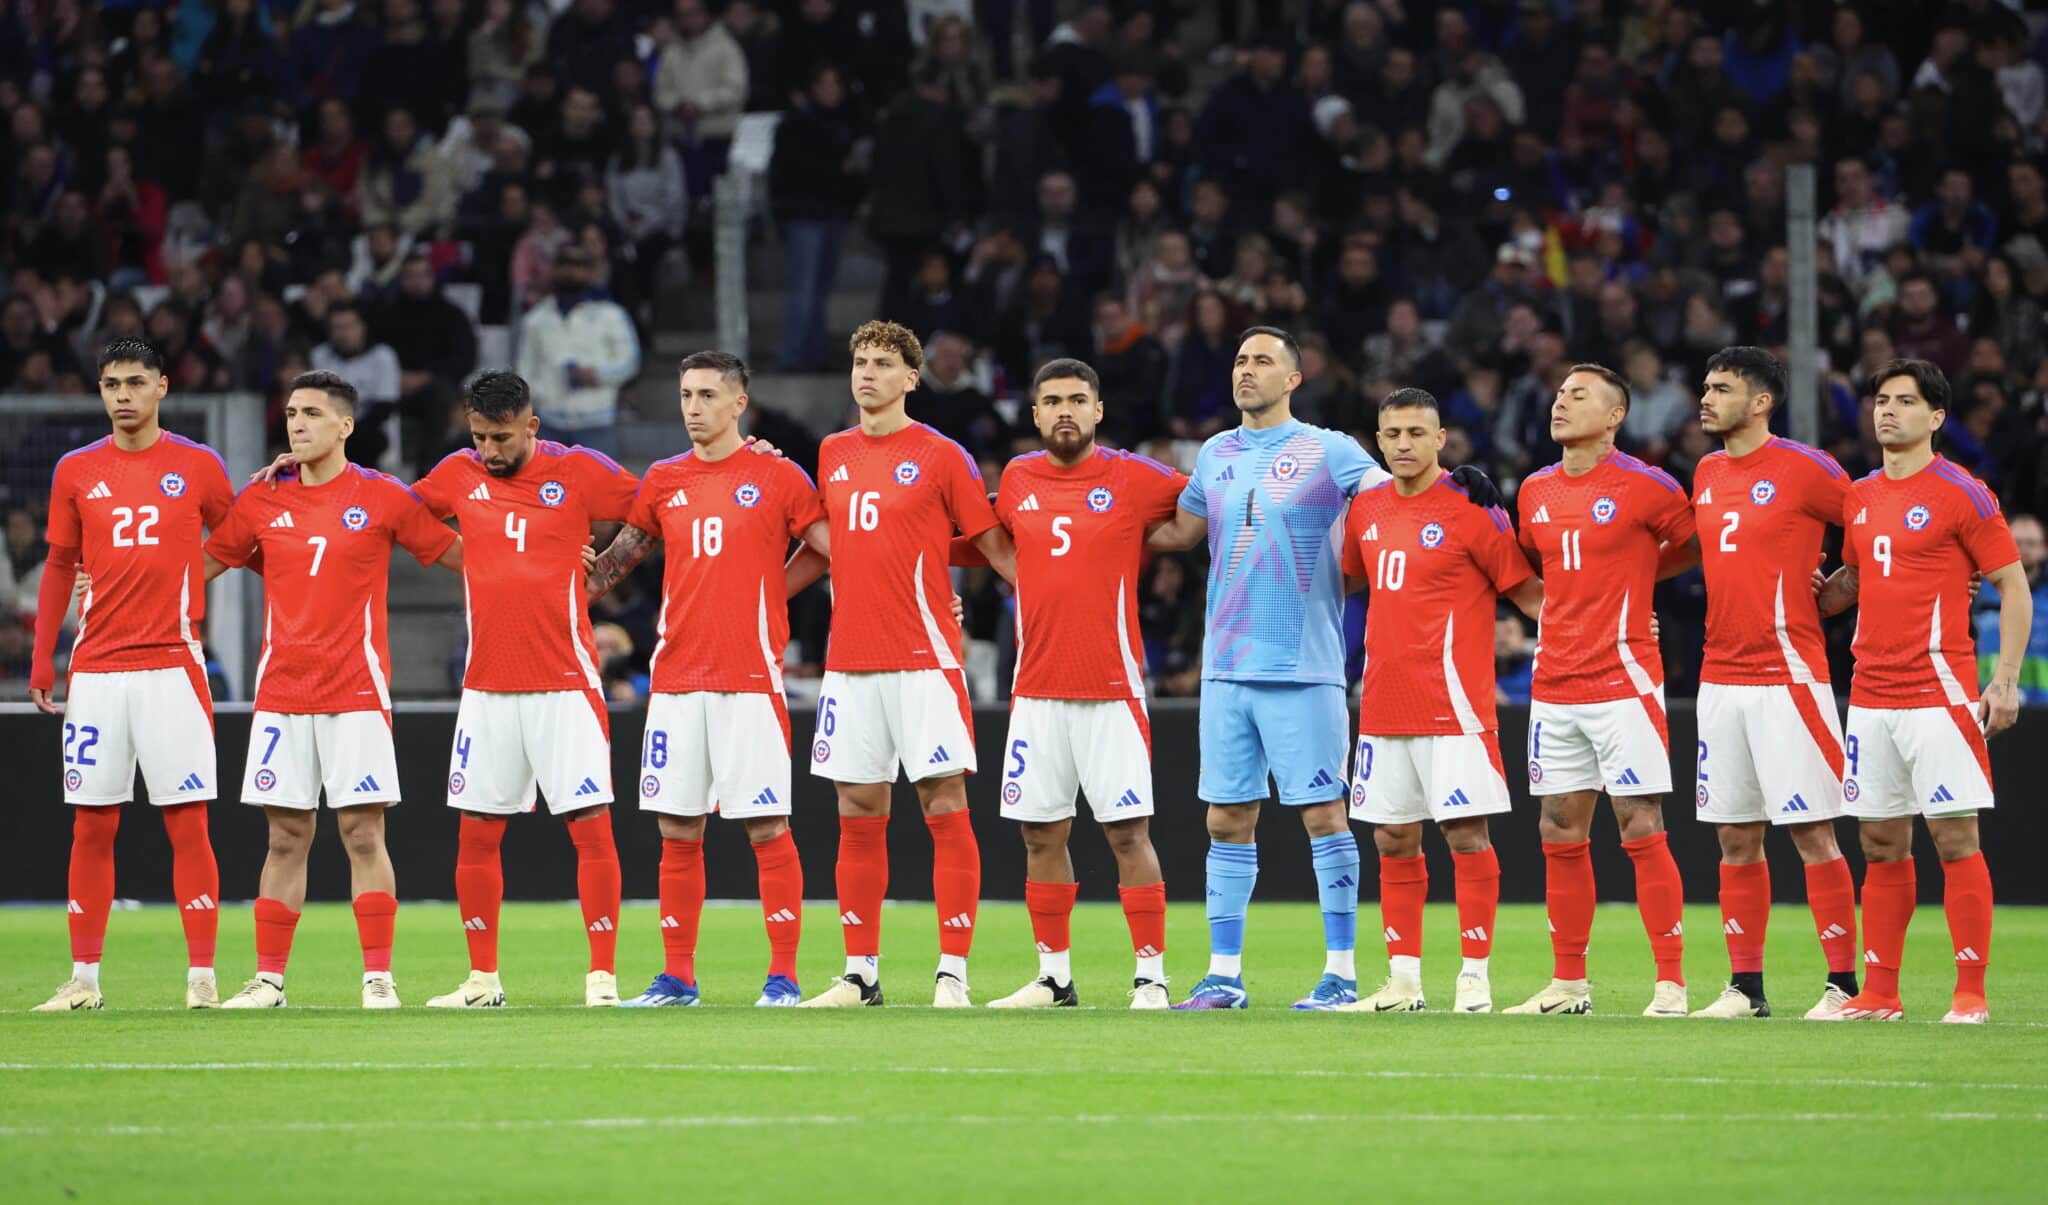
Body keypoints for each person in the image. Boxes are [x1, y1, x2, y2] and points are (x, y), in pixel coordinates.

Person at [1145, 326, 1504, 1011]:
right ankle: (1223, 975)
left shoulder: (1331, 450)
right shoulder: (1216, 453)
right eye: (1240, 360)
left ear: (1293, 379)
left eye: (1262, 361)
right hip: (1225, 667)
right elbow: (1178, 532)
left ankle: (1340, 972)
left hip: (1303, 666)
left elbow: (1401, 493)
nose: (1246, 371)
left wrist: (1460, 483)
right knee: (1225, 820)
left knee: (1323, 816)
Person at [201, 373, 462, 1009]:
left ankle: (378, 978)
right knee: (284, 838)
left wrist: (550, 559)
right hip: (282, 694)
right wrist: (112, 577)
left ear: (345, 426)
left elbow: (458, 553)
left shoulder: (383, 496)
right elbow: (202, 563)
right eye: (292, 412)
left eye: (312, 413)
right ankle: (268, 981)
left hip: (356, 693)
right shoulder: (262, 498)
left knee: (363, 835)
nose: (297, 423)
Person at [583, 352, 830, 1007]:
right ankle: (678, 978)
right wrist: (558, 580)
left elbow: (833, 546)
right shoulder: (664, 479)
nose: (693, 407)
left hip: (748, 678)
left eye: (707, 395)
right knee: (677, 829)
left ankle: (783, 977)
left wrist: (776, 589)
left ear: (738, 403)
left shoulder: (778, 475)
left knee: (767, 827)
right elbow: (615, 564)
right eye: (686, 394)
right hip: (675, 679)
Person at [800, 321, 1017, 1009]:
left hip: (925, 658)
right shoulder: (831, 451)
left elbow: (988, 543)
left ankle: (952, 971)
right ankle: (859, 972)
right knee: (856, 810)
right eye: (860, 361)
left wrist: (1040, 599)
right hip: (850, 661)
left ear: (911, 379)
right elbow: (826, 545)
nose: (867, 373)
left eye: (883, 363)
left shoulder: (942, 454)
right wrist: (757, 594)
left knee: (944, 805)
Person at [411, 371, 641, 1008]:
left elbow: (656, 506)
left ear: (532, 426)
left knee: (590, 828)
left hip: (564, 683)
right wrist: (306, 467)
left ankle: (602, 979)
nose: (489, 451)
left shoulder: (579, 470)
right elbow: (393, 513)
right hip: (487, 686)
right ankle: (482, 980)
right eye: (479, 437)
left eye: (502, 438)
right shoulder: (458, 473)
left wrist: (608, 568)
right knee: (477, 834)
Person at [961, 358, 1183, 1011]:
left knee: (1127, 833)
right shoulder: (1019, 477)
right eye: (1053, 400)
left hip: (1112, 690)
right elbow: (977, 538)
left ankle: (1151, 977)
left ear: (1097, 410)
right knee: (1040, 834)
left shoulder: (1132, 475)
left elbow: (1203, 505)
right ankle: (1053, 977)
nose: (1065, 410)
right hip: (1036, 691)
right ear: (1034, 414)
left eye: (1077, 400)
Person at [1816, 358, 2030, 1024]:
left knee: (1954, 838)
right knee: (1880, 843)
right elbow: (1857, 579)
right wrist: (1815, 593)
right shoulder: (1859, 494)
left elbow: (2013, 585)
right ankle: (1881, 992)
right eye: (1882, 399)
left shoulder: (1963, 492)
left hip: (1938, 691)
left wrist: (2004, 680)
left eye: (1905, 401)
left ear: (1937, 417)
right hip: (1870, 694)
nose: (1888, 410)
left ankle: (1970, 993)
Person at [30, 338, 235, 1012]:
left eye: (135, 382)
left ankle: (201, 977)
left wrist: (189, 572)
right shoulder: (75, 469)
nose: (123, 395)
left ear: (162, 387)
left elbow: (241, 537)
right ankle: (83, 980)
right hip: (95, 671)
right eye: (111, 384)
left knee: (188, 822)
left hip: (173, 667)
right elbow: (59, 563)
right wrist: (43, 657)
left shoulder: (198, 464)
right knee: (91, 826)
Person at [1337, 388, 1543, 1013]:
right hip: (1382, 705)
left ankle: (1474, 976)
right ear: (1379, 440)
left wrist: (1604, 628)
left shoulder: (1471, 507)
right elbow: (1351, 582)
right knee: (1392, 838)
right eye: (1392, 433)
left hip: (1453, 704)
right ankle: (1403, 982)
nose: (1403, 444)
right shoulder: (1366, 509)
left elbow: (1527, 592)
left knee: (1466, 834)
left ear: (1440, 439)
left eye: (1415, 433)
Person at [1505, 363, 1701, 1018]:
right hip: (1554, 681)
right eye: (1559, 393)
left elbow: (1692, 546)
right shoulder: (1534, 490)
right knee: (1558, 824)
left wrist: (1639, 581)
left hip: (1624, 679)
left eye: (1579, 395)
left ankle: (1670, 984)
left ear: (1615, 415)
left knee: (1639, 820)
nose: (1560, 402)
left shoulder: (1648, 485)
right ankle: (1568, 984)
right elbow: (1537, 565)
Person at [1687, 347, 1863, 1020]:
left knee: (1812, 833)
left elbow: (1873, 521)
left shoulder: (1804, 466)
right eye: (1705, 387)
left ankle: (1844, 986)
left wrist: (1843, 587)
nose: (1706, 398)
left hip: (1788, 675)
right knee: (1735, 837)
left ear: (1761, 401)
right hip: (1719, 677)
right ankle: (1746, 988)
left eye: (1721, 388)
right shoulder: (1706, 471)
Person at [513, 246, 641, 456]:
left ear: (589, 272)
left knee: (597, 479)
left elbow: (630, 362)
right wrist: (544, 395)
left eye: (578, 265)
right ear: (553, 270)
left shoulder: (611, 315)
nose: (570, 271)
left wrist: (596, 375)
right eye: (564, 264)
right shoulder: (536, 319)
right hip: (549, 423)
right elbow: (524, 371)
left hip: (596, 421)